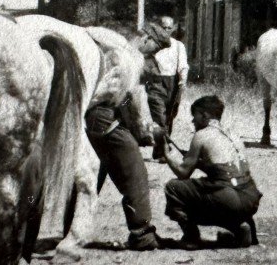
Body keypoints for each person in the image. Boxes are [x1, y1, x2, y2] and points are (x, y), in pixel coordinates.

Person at [83, 24, 170, 251]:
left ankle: (67, 231)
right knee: (135, 173)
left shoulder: (110, 43)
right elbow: (128, 98)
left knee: (91, 174)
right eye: (154, 47)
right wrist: (143, 130)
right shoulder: (129, 56)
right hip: (103, 116)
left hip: (90, 115)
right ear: (145, 38)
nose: (153, 54)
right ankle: (142, 234)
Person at [162, 95, 262, 249]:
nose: (193, 121)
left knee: (173, 188)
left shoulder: (201, 135)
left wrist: (167, 156)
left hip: (230, 199)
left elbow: (183, 173)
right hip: (250, 198)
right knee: (216, 192)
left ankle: (191, 237)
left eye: (194, 116)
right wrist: (199, 164)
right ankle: (240, 226)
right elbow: (226, 170)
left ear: (204, 115)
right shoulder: (232, 134)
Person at [148, 16, 190, 159]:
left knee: (169, 117)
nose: (166, 31)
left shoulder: (178, 45)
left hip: (173, 83)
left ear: (172, 28)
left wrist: (183, 79)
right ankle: (162, 152)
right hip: (156, 83)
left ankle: (159, 148)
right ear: (158, 28)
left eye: (168, 28)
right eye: (163, 27)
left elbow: (183, 65)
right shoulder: (152, 45)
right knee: (159, 117)